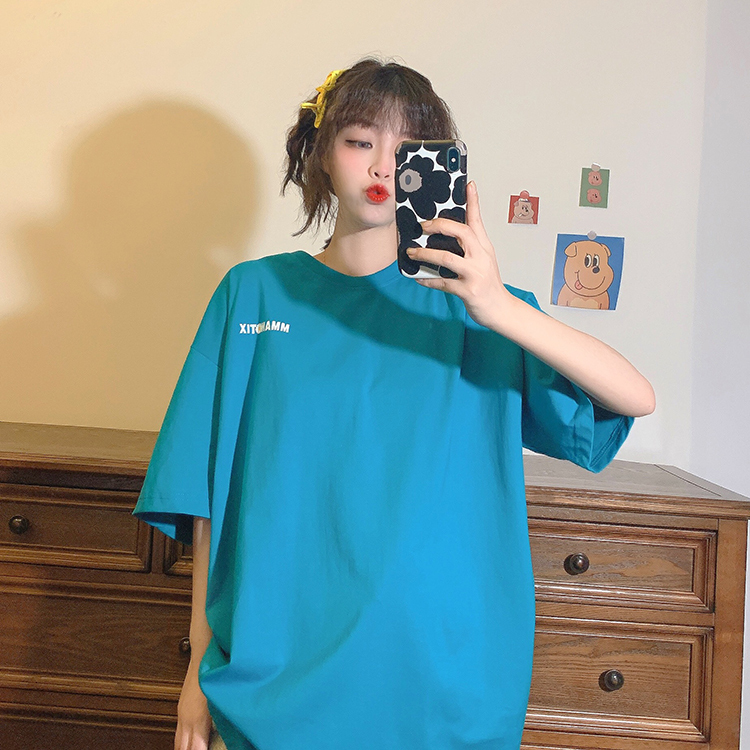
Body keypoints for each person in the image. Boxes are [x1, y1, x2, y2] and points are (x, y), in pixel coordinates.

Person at [133, 57, 655, 750]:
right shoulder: (252, 295)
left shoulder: (477, 310)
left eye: (409, 150)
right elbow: (210, 503)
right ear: (321, 152)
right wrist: (196, 671)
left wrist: (499, 305)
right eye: (360, 141)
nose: (383, 165)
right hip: (275, 678)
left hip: (440, 674)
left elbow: (634, 396)